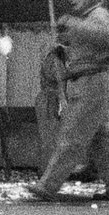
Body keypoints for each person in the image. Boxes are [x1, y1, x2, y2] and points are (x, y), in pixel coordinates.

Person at [25, 0, 109, 202]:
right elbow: (87, 46)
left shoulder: (99, 14)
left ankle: (48, 185)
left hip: (92, 81)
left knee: (72, 134)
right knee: (99, 137)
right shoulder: (88, 18)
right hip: (88, 81)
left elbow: (103, 37)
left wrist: (72, 25)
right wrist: (63, 47)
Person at [35, 43, 66, 172]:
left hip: (46, 98)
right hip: (50, 100)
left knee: (48, 137)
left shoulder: (50, 58)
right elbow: (60, 83)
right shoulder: (55, 61)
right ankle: (48, 171)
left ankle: (47, 171)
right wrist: (63, 102)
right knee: (50, 137)